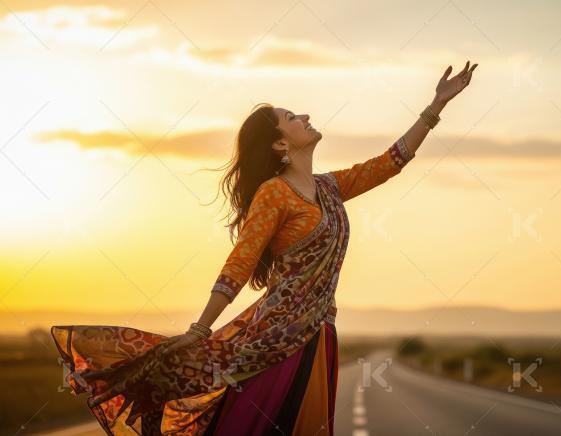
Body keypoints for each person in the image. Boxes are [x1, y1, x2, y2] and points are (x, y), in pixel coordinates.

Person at [51, 61, 478, 435]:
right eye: (293, 116)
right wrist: (201, 329)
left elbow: (391, 162)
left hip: (319, 335)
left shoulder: (329, 188)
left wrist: (437, 104)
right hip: (277, 341)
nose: (306, 115)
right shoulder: (274, 194)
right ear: (280, 144)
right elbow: (241, 261)